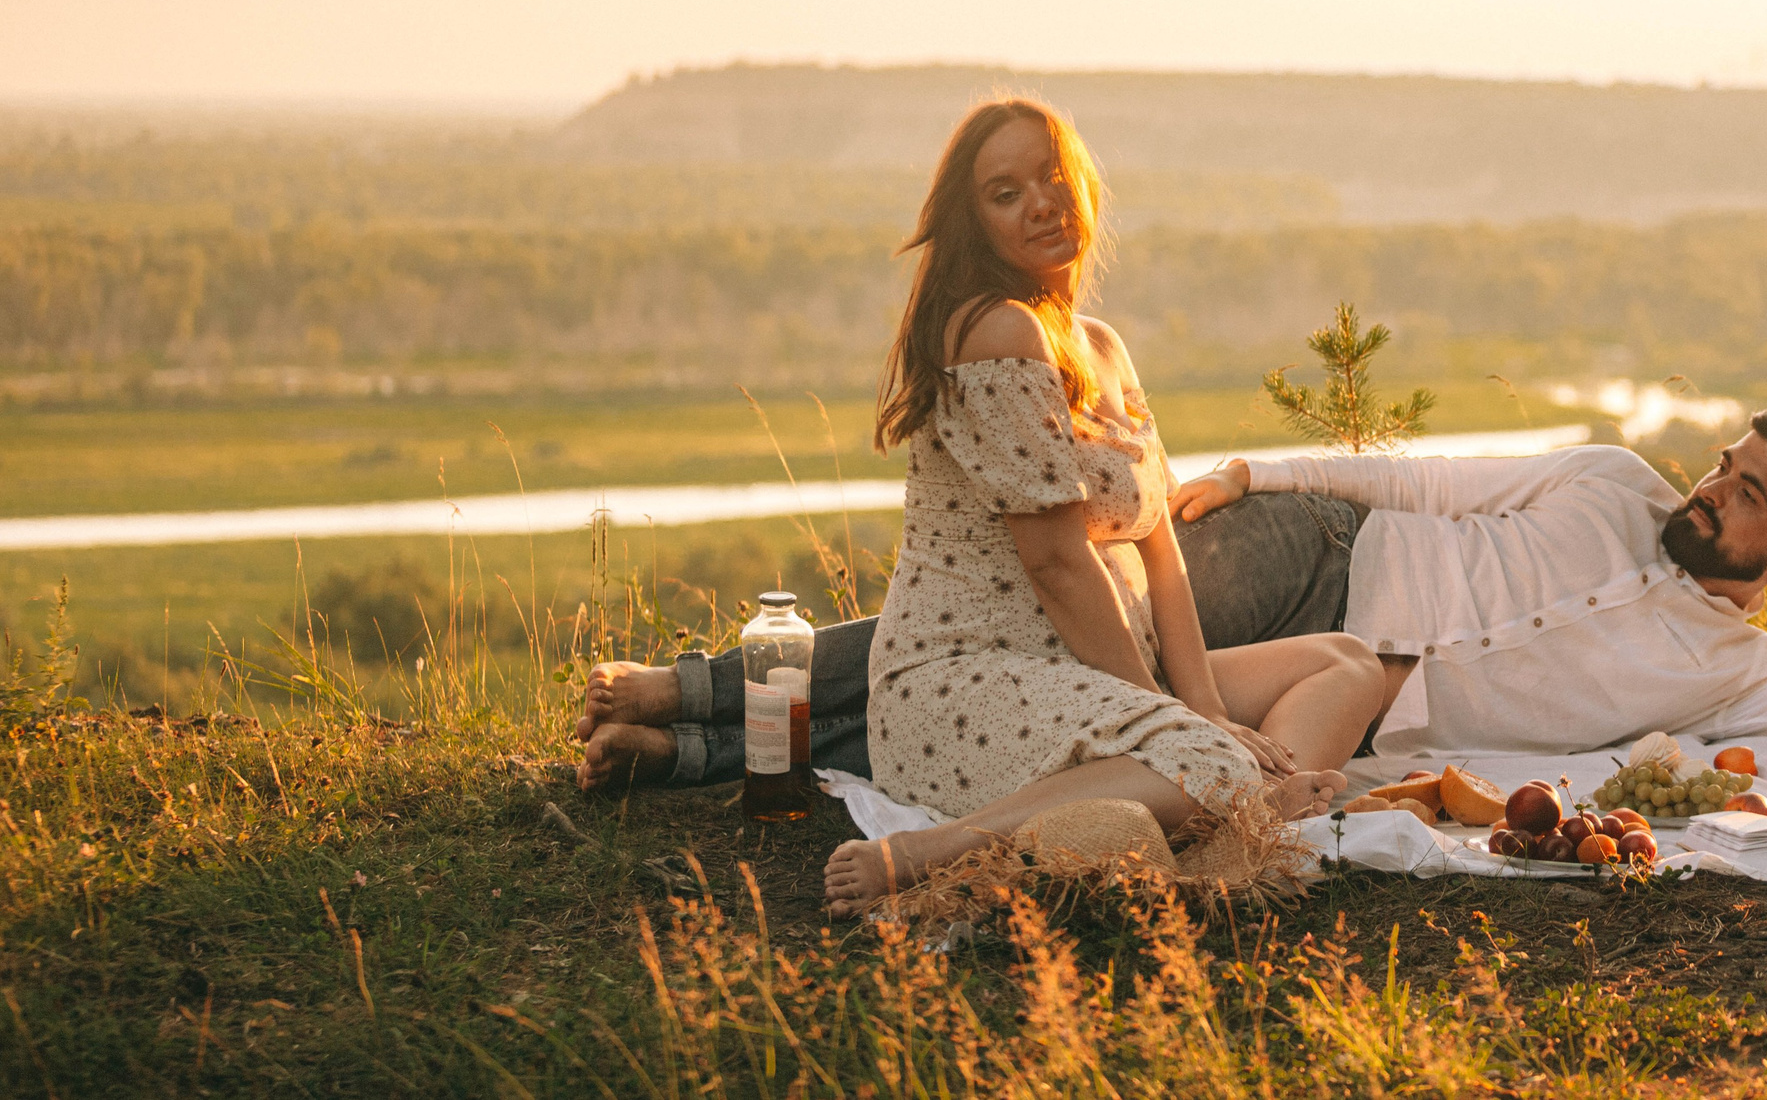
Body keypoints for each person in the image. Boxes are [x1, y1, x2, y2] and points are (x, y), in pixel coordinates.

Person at [578, 98, 1382, 917]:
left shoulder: (1101, 343)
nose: (1040, 200)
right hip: (966, 684)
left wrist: (1203, 704)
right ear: (976, 224)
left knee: (1348, 663)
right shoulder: (995, 332)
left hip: (1093, 676)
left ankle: (1236, 820)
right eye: (1006, 192)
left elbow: (1158, 543)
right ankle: (945, 848)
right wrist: (1175, 719)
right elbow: (1057, 562)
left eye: (1052, 175)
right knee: (1212, 763)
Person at [1165, 406, 1767, 759]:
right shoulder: (1612, 477)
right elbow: (1430, 485)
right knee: (1082, 636)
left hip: (1344, 708)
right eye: (1724, 465)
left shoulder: (1735, 675)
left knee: (1123, 716)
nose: (1711, 488)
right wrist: (1252, 473)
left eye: (1749, 495)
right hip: (1319, 555)